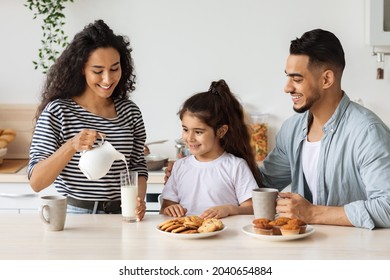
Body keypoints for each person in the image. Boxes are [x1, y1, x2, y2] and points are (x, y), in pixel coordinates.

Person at [262, 29, 390, 229]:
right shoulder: (292, 129)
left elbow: (387, 207)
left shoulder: (367, 133)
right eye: (288, 77)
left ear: (326, 79)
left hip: (355, 255)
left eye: (297, 79)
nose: (287, 88)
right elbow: (262, 184)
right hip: (305, 252)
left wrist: (312, 213)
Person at [28, 20, 148, 220]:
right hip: (75, 215)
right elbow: (36, 182)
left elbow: (137, 166)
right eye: (98, 71)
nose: (108, 79)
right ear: (82, 68)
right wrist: (72, 145)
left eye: (114, 68)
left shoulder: (130, 112)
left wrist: (138, 200)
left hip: (121, 215)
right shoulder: (59, 111)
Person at [160, 79, 262, 219]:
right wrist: (170, 209)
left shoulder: (235, 166)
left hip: (226, 238)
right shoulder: (179, 167)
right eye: (185, 129)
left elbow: (253, 208)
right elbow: (165, 208)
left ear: (221, 131)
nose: (190, 138)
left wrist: (229, 209)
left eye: (198, 132)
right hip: (186, 237)